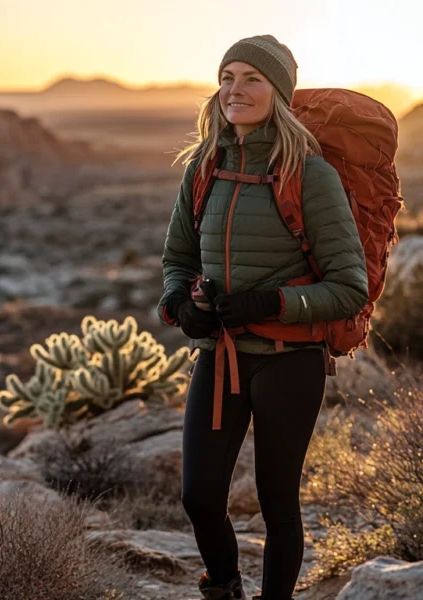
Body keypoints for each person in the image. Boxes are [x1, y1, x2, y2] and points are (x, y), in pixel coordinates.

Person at [156, 35, 368, 600]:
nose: (235, 89)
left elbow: (350, 288)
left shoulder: (310, 174)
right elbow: (177, 259)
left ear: (279, 91)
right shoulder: (205, 167)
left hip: (288, 360)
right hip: (220, 356)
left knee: (278, 503)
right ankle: (225, 587)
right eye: (227, 76)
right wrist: (182, 307)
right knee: (199, 497)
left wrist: (270, 304)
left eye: (252, 78)